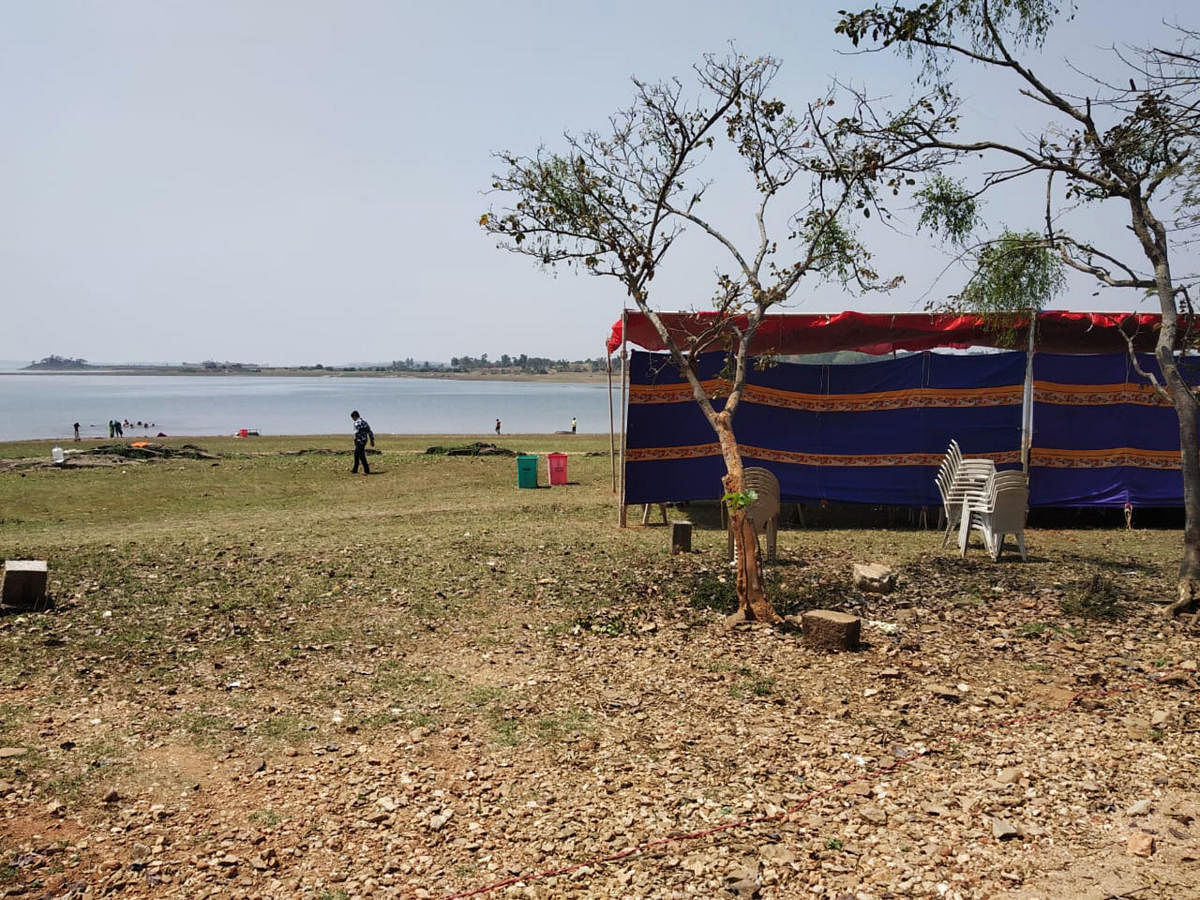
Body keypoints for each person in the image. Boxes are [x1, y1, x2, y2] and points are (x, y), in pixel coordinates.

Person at [350, 410, 375, 475]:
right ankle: (354, 469)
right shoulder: (364, 422)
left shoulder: (356, 422)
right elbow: (369, 431)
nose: (353, 419)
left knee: (361, 455)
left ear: (355, 416)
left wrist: (356, 440)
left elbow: (357, 432)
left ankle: (366, 470)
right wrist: (372, 440)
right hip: (364, 440)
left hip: (359, 440)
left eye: (353, 418)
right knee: (356, 454)